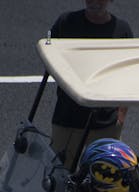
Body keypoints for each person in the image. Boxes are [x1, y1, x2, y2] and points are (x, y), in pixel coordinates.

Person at [49, 0, 133, 170]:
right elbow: (51, 59)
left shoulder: (122, 30)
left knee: (104, 175)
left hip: (105, 123)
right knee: (58, 173)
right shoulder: (66, 23)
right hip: (67, 119)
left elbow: (128, 74)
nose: (95, 1)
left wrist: (121, 115)